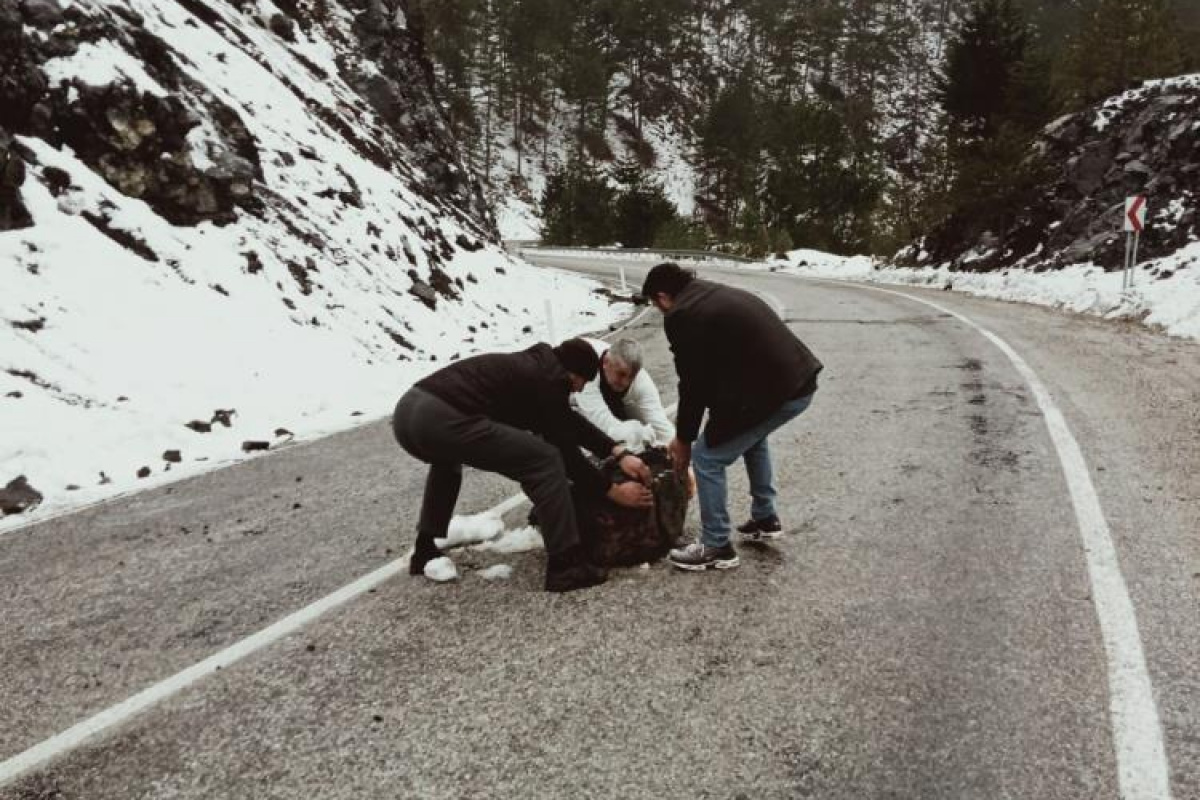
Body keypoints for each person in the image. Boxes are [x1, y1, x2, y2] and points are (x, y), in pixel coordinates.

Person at [392, 338, 653, 592]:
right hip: (440, 418)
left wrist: (617, 451)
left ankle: (424, 551)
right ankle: (566, 565)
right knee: (546, 459)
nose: (580, 389)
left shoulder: (537, 369)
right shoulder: (548, 382)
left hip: (408, 413)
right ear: (572, 374)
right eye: (582, 381)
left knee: (446, 462)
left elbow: (567, 421)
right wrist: (614, 491)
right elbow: (567, 454)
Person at [641, 263, 823, 571]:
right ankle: (765, 517)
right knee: (750, 438)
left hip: (776, 390)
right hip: (797, 380)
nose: (659, 311)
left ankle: (716, 546)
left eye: (656, 305)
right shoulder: (711, 294)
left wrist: (684, 440)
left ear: (663, 296)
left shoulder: (683, 314)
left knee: (707, 457)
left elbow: (692, 383)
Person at [570, 338, 674, 451]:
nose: (626, 382)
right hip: (568, 397)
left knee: (648, 433)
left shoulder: (642, 382)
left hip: (618, 399)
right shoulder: (586, 369)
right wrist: (638, 435)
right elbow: (604, 425)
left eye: (631, 377)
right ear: (605, 362)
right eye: (621, 374)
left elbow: (662, 427)